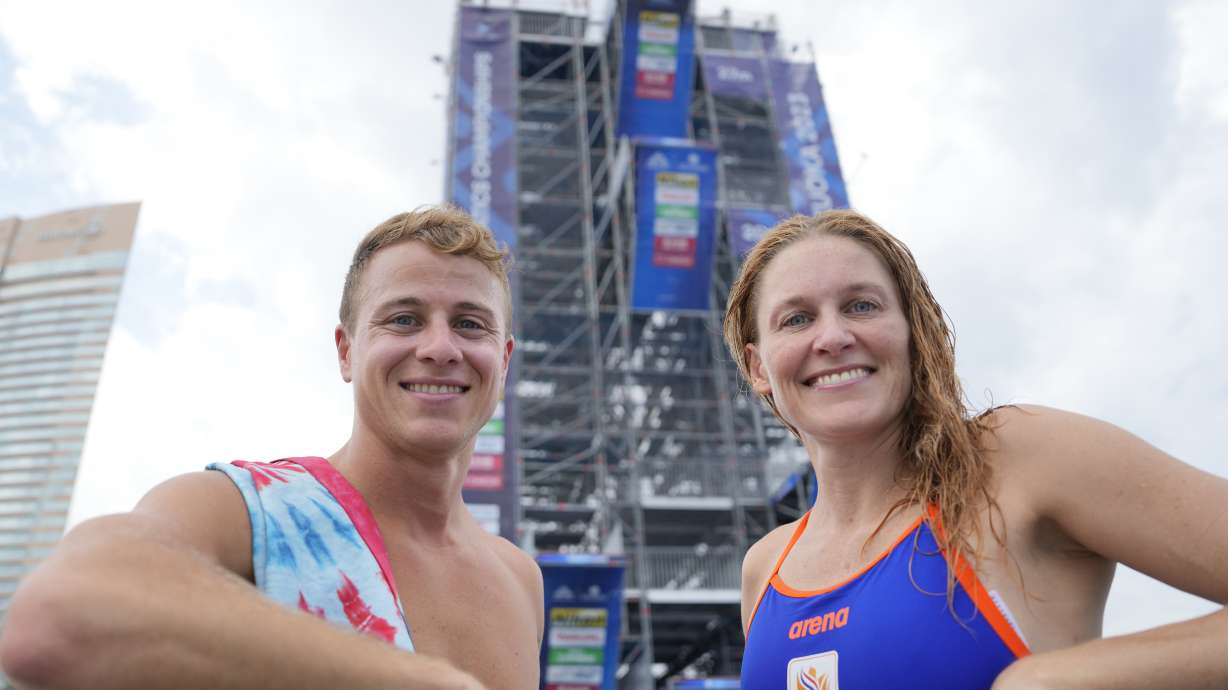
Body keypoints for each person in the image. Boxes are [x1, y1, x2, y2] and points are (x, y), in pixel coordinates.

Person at [0, 206, 544, 690]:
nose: (440, 347)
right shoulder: (242, 507)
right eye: (404, 319)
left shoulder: (520, 579)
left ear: (505, 358)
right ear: (347, 351)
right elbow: (58, 616)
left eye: (470, 325)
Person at [725, 210, 1228, 689]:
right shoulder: (765, 570)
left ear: (911, 332)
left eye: (862, 306)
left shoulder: (1018, 461)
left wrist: (1052, 681)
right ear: (758, 368)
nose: (833, 336)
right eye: (796, 319)